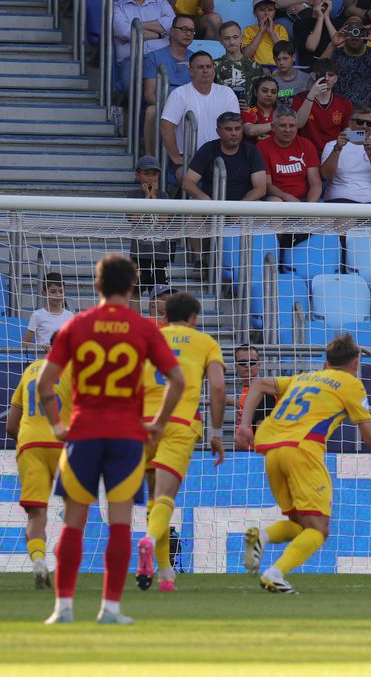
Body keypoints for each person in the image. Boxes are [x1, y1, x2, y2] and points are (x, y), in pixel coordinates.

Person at [39, 254, 185, 625]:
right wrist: (158, 423)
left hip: (83, 434)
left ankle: (64, 608)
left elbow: (45, 385)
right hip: (126, 437)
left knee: (73, 523)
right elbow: (178, 381)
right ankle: (111, 609)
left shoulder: (77, 325)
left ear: (96, 285)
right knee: (121, 524)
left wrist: (57, 425)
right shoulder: (143, 327)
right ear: (132, 286)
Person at [237, 335, 371, 594]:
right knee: (319, 530)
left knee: (301, 525)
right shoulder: (352, 384)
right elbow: (369, 438)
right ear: (356, 363)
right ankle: (274, 574)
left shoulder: (304, 377)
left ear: (326, 361)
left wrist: (243, 425)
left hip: (272, 451)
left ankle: (262, 537)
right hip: (303, 451)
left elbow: (259, 383)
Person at [135, 292, 226, 594]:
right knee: (165, 498)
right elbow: (217, 386)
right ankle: (148, 540)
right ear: (194, 318)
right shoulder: (205, 343)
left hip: (142, 425)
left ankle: (164, 573)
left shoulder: (148, 338)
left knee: (152, 499)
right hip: (179, 424)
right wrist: (216, 431)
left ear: (164, 315)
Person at [6, 334, 71, 589]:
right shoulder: (76, 373)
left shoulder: (31, 370)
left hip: (31, 444)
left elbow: (11, 424)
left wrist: (26, 441)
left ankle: (38, 561)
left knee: (36, 514)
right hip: (66, 445)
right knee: (74, 512)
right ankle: (64, 559)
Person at [160, 52, 241, 183]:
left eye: (209, 67)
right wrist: (175, 157)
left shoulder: (227, 93)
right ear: (191, 71)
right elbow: (166, 126)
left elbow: (235, 127)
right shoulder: (179, 94)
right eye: (200, 67)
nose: (205, 71)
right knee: (190, 179)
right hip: (188, 158)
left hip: (221, 156)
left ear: (214, 70)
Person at [141, 15, 196, 159]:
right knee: (151, 111)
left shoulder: (196, 59)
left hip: (191, 105)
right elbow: (149, 94)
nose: (188, 33)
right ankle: (150, 162)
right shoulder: (154, 57)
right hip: (163, 104)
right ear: (172, 31)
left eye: (191, 30)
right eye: (184, 29)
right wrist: (170, 107)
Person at [183, 111, 269, 201]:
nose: (234, 133)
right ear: (218, 132)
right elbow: (188, 182)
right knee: (195, 209)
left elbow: (260, 189)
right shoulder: (208, 149)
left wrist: (239, 209)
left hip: (244, 208)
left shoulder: (252, 151)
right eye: (228, 129)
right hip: (211, 206)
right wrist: (203, 198)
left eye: (237, 129)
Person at [320, 103, 371, 202]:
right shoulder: (332, 145)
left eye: (369, 124)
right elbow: (326, 177)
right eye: (360, 122)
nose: (364, 126)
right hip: (340, 202)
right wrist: (337, 149)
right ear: (350, 123)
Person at [126, 156, 174, 290]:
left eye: (154, 174)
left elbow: (164, 219)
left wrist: (154, 196)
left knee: (160, 291)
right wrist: (147, 197)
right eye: (146, 174)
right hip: (139, 251)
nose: (150, 178)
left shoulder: (163, 196)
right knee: (136, 289)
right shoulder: (132, 196)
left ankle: (156, 312)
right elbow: (134, 219)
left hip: (160, 251)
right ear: (138, 175)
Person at [258, 108, 323, 202]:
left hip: (305, 200)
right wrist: (287, 198)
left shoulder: (306, 145)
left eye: (292, 126)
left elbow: (315, 184)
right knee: (275, 202)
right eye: (283, 126)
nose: (288, 130)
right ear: (273, 127)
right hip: (279, 198)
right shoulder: (262, 147)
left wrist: (309, 208)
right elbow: (266, 185)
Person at [331, 17, 371, 108]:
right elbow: (319, 70)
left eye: (358, 29)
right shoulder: (336, 54)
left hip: (368, 111)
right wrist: (333, 44)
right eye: (350, 29)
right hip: (341, 110)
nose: (354, 33)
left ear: (364, 31)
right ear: (344, 32)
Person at [112, 0, 175, 81]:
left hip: (163, 58)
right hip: (132, 60)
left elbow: (172, 25)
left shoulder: (162, 4)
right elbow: (125, 31)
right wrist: (160, 34)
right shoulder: (115, 7)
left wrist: (135, 25)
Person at [294, 59, 355, 150]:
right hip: (307, 152)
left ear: (336, 79)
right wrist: (311, 95)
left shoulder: (344, 102)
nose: (326, 78)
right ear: (313, 75)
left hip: (334, 151)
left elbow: (348, 132)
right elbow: (298, 124)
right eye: (322, 74)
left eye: (330, 75)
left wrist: (364, 136)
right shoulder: (299, 98)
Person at [215, 21, 268, 106]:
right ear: (220, 40)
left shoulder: (255, 66)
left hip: (249, 115)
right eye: (226, 38)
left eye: (235, 37)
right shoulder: (213, 66)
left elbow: (260, 97)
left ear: (242, 38)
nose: (231, 42)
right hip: (222, 114)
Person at [23, 272, 73, 348]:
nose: (57, 295)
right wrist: (42, 347)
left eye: (61, 291)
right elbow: (24, 344)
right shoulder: (37, 315)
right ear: (44, 293)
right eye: (53, 292)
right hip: (44, 359)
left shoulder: (70, 316)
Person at [242, 0, 290, 67]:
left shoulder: (280, 29)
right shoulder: (249, 29)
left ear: (274, 12)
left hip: (278, 68)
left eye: (270, 10)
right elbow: (246, 55)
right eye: (261, 10)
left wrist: (271, 32)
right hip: (257, 68)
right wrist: (260, 32)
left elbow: (285, 54)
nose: (266, 13)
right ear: (254, 13)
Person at [234, 344, 274, 429]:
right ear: (235, 366)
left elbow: (262, 431)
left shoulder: (264, 393)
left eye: (252, 362)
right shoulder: (248, 390)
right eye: (242, 362)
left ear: (258, 365)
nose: (247, 365)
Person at [293, 0, 338, 65]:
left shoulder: (338, 23)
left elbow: (339, 44)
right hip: (310, 68)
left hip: (334, 68)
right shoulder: (300, 23)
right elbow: (311, 47)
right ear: (310, 1)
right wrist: (320, 17)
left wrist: (326, 17)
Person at [241, 75, 280, 140]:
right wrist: (279, 123)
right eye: (265, 91)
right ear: (256, 92)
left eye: (273, 92)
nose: (269, 95)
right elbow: (250, 131)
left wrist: (272, 139)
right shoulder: (249, 111)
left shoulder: (282, 113)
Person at [272, 41, 310, 108]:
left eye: (285, 58)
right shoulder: (272, 82)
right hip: (279, 117)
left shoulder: (307, 79)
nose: (281, 62)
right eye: (278, 59)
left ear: (294, 57)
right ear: (274, 60)